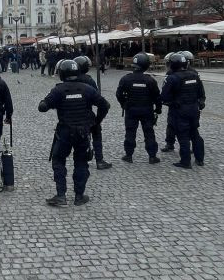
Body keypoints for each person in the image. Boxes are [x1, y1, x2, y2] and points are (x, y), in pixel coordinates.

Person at [38, 59, 108, 207]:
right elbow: (105, 105)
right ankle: (79, 196)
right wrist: (96, 122)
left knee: (58, 161)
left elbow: (43, 107)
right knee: (81, 162)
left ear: (62, 73)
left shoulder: (58, 90)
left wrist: (46, 103)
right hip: (83, 132)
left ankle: (61, 196)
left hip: (65, 132)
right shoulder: (87, 89)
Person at [160, 52, 205, 169]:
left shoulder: (172, 78)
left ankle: (185, 161)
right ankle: (200, 159)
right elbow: (201, 93)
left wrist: (170, 102)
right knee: (195, 133)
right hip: (194, 109)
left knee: (183, 135)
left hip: (179, 110)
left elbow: (164, 96)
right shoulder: (194, 75)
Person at [116, 52, 162, 165]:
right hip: (147, 110)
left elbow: (118, 94)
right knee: (149, 132)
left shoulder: (126, 79)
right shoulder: (150, 80)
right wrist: (158, 109)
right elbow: (157, 96)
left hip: (131, 110)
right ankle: (152, 156)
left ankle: (128, 155)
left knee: (130, 132)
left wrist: (124, 104)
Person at [72, 55, 111, 170]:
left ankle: (81, 160)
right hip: (87, 114)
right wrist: (98, 119)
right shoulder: (88, 80)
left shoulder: (69, 80)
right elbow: (98, 100)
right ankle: (99, 160)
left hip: (72, 115)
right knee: (96, 135)